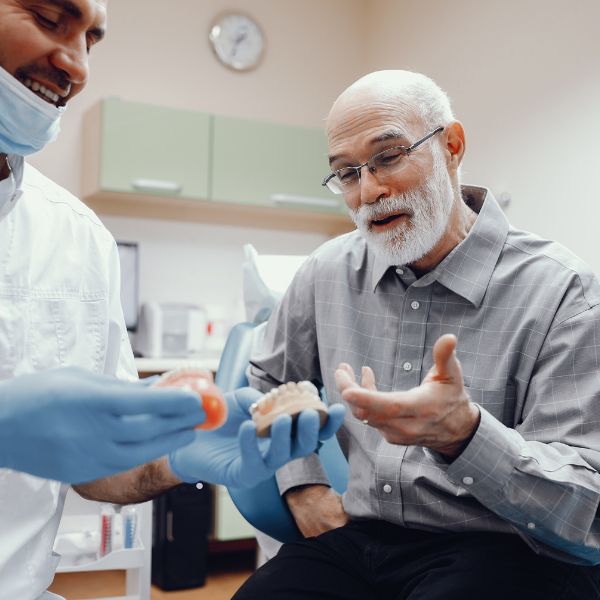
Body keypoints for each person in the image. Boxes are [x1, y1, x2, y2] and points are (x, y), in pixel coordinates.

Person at [0, 1, 344, 598]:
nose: (76, 65)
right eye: (50, 18)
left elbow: (96, 469)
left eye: (92, 40)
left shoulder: (76, 238)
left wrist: (172, 459)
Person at [232, 70, 600, 599]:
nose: (370, 191)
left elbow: (586, 507)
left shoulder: (564, 292)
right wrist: (304, 484)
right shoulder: (328, 271)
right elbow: (267, 379)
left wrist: (466, 435)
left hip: (507, 546)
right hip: (362, 539)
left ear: (452, 146)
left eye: (388, 157)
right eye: (347, 173)